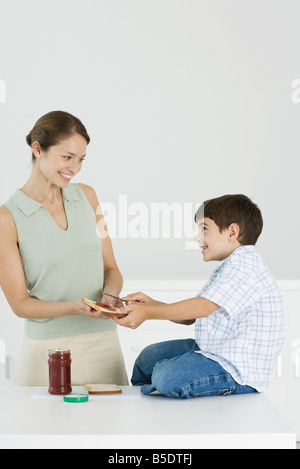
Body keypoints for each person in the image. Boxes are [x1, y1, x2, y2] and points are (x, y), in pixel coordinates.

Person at [0, 110, 128, 386]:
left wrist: (110, 296)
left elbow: (111, 268)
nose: (75, 167)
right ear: (38, 149)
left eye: (81, 159)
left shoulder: (88, 196)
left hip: (103, 343)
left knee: (110, 427)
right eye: (67, 157)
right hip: (47, 349)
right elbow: (20, 304)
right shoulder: (7, 219)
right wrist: (75, 307)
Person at [113, 194, 284, 398]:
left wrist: (147, 312)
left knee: (166, 376)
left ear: (232, 231)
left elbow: (202, 307)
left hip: (238, 370)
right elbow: (192, 316)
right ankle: (159, 391)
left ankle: (163, 389)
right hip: (217, 350)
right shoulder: (230, 266)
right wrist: (152, 304)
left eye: (204, 228)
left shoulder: (244, 266)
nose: (197, 238)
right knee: (148, 359)